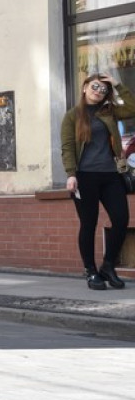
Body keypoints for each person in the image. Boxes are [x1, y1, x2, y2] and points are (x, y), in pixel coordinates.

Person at [61, 73, 135, 290]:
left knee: (121, 220)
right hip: (84, 177)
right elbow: (67, 147)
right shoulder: (72, 116)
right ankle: (91, 271)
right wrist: (71, 174)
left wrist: (118, 84)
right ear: (85, 87)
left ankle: (108, 266)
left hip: (111, 175)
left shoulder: (109, 111)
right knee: (89, 224)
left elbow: (132, 108)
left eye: (103, 89)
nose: (98, 91)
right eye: (95, 86)